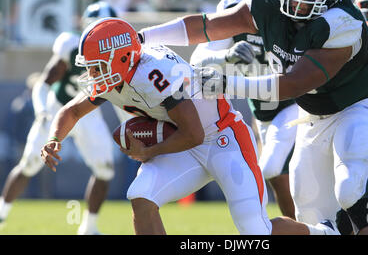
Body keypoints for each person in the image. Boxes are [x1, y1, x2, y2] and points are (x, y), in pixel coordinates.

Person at [138, 0, 368, 235]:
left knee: (351, 188)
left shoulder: (341, 22)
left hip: (355, 106)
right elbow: (209, 26)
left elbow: (294, 83)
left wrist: (226, 83)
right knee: (308, 208)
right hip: (312, 113)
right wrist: (143, 37)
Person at [40, 17, 339, 235]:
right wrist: (55, 139)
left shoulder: (154, 73)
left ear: (121, 57)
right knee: (141, 196)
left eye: (97, 67)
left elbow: (195, 133)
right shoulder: (116, 75)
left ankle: (325, 234)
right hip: (185, 141)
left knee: (255, 232)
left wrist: (151, 151)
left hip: (223, 137)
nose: (92, 74)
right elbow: (71, 111)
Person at [190, 0, 297, 219]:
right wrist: (224, 57)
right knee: (283, 175)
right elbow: (198, 60)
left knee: (272, 167)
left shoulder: (297, 14)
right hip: (263, 109)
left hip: (298, 102)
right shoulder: (236, 7)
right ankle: (303, 226)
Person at [0, 1, 118, 235]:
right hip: (58, 109)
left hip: (88, 113)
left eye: (106, 28)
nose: (101, 35)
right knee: (29, 165)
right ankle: (1, 214)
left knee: (105, 170)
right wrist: (42, 110)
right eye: (97, 28)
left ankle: (89, 228)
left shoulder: (120, 54)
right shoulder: (71, 44)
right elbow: (44, 84)